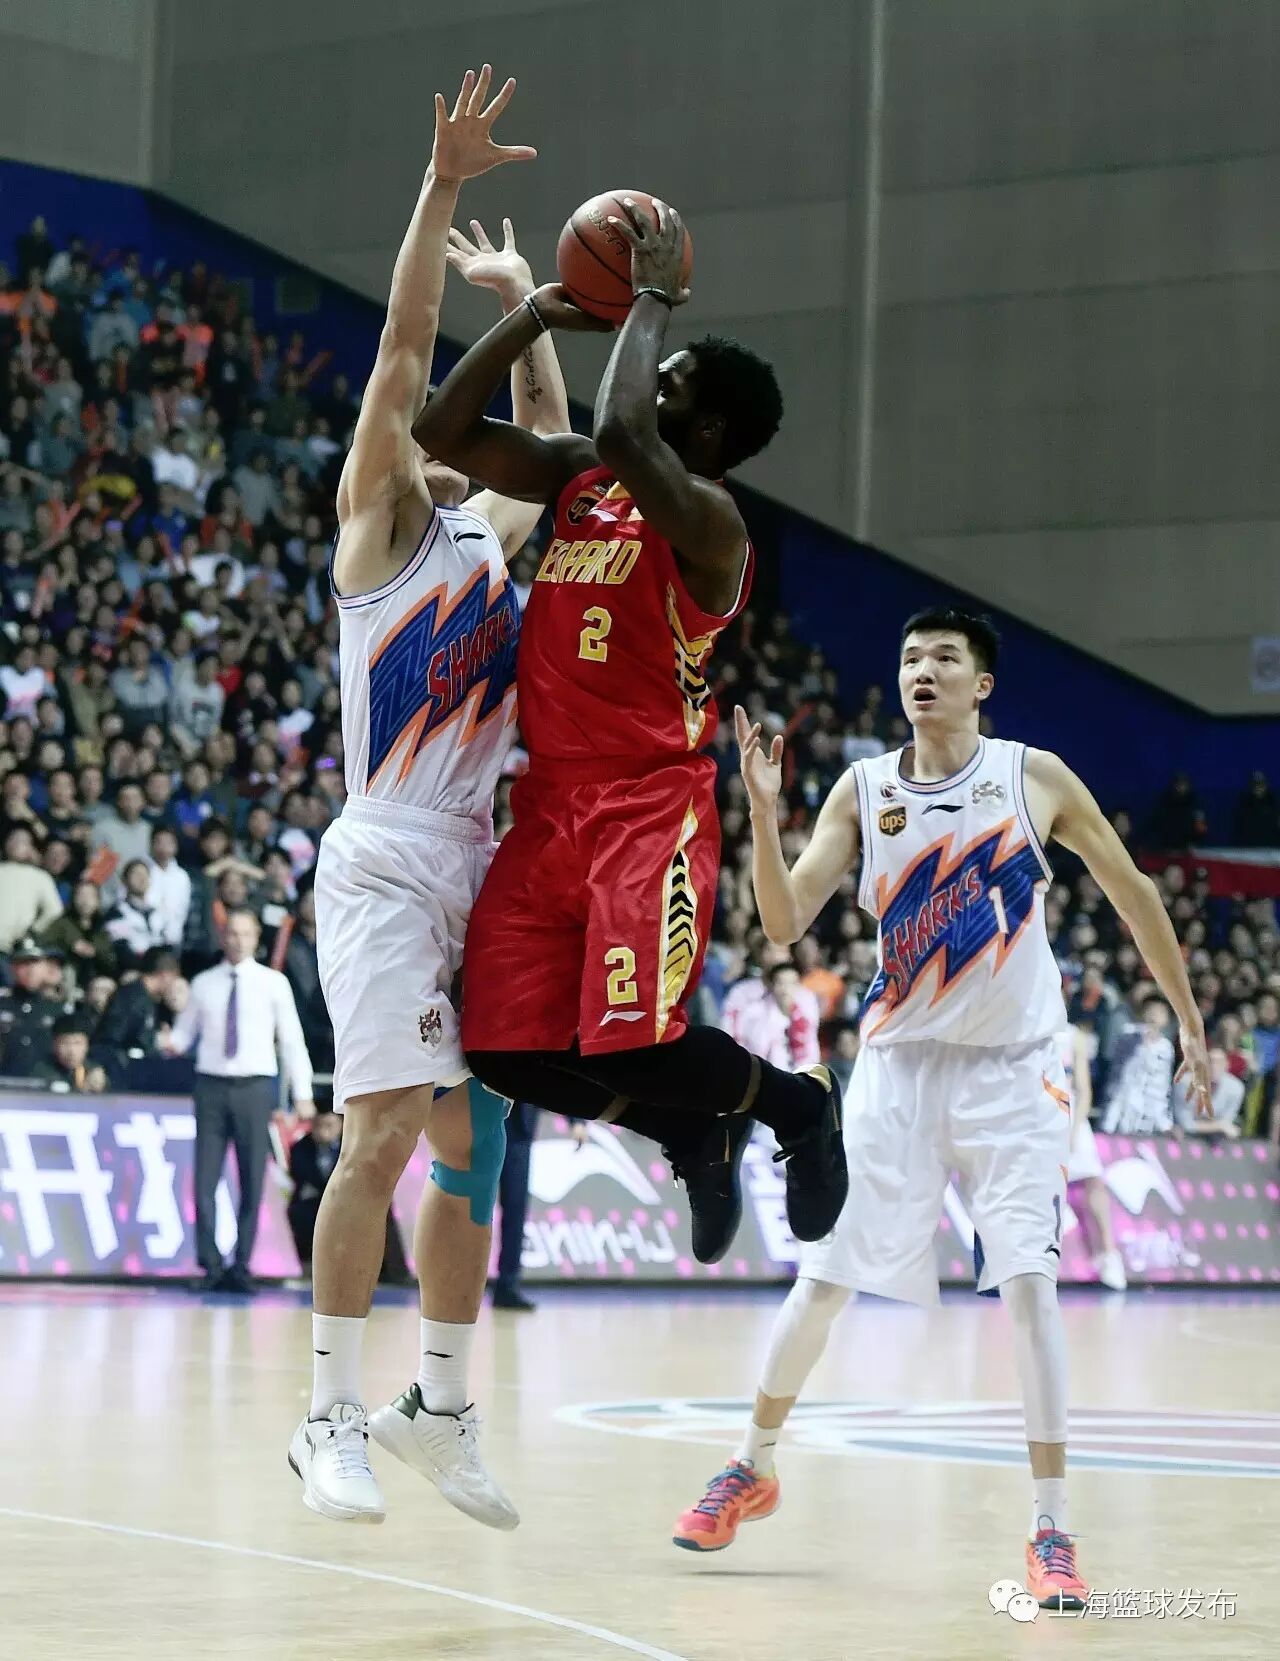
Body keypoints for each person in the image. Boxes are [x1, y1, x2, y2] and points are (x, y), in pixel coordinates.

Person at [669, 607, 1211, 1614]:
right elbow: (781, 920)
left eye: (944, 659)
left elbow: (1134, 890)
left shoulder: (1032, 778)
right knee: (823, 1279)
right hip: (898, 1069)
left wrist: (1186, 1018)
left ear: (981, 685)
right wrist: (761, 812)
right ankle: (751, 1462)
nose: (922, 670)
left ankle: (1051, 1526)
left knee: (1029, 1289)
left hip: (1016, 1072)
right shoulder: (863, 787)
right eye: (910, 656)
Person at [416, 193, 846, 1277]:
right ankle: (690, 1135)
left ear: (706, 433)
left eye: (671, 383)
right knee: (504, 1050)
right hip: (549, 803)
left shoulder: (710, 522)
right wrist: (531, 315)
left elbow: (619, 426)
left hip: (647, 808)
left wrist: (652, 297)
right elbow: (443, 434)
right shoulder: (579, 478)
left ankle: (797, 1107)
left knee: (637, 1038)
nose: (649, 381)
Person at [291, 67, 573, 1532]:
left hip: (481, 863)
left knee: (479, 1149)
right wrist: (441, 186)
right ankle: (326, 1416)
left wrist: (526, 303)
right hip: (390, 857)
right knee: (388, 1130)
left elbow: (552, 446)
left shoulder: (489, 535)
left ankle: (440, 1409)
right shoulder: (378, 527)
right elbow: (405, 346)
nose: (424, 422)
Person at [165, 909, 314, 1293]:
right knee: (205, 1180)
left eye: (245, 934)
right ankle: (210, 1265)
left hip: (255, 1087)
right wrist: (166, 1038)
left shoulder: (273, 983)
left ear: (255, 939)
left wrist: (303, 1093)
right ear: (222, 937)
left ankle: (242, 1264)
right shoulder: (203, 984)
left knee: (252, 1179)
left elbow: (291, 1040)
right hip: (211, 1086)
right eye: (232, 933)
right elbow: (183, 1036)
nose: (237, 940)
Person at [1060, 1021, 1126, 1291]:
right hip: (1035, 1116)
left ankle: (1108, 1254)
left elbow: (1084, 1089)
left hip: (1070, 1114)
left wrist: (1074, 1128)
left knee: (1093, 1183)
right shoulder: (1023, 1028)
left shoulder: (1072, 1035)